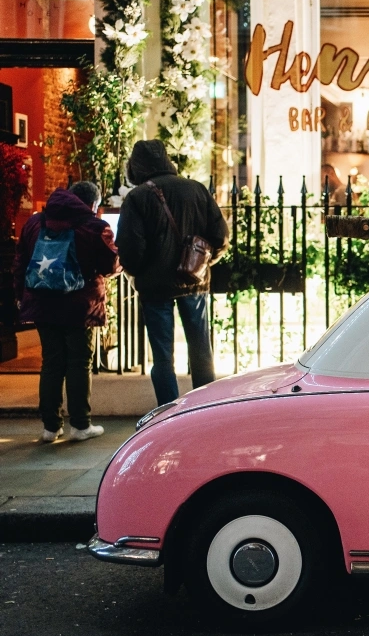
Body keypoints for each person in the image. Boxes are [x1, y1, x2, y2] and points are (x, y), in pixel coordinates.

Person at [116, 140, 228, 405]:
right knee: (201, 348)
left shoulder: (138, 197)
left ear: (137, 166)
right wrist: (202, 263)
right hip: (194, 281)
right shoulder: (196, 189)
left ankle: (169, 410)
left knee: (163, 355)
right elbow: (220, 235)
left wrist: (138, 272)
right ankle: (206, 406)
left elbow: (131, 248)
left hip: (155, 286)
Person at [12, 181, 119, 442]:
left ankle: (50, 427)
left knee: (51, 361)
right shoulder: (94, 227)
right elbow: (110, 266)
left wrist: (21, 296)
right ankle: (81, 425)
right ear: (93, 204)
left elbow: (21, 261)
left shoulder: (36, 222)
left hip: (42, 302)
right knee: (79, 362)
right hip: (79, 306)